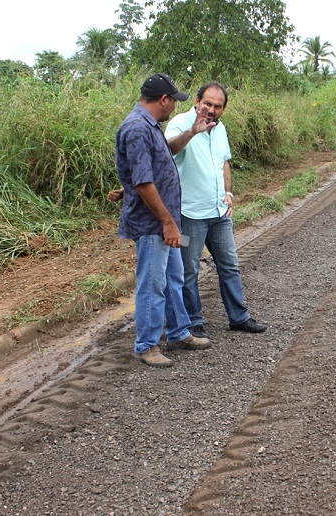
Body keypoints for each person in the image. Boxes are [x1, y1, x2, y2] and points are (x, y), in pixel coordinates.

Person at [114, 73, 211, 368]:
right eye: (174, 100)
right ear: (164, 100)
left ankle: (179, 331)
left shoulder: (151, 126)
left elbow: (162, 156)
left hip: (165, 221)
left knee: (173, 277)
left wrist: (193, 132)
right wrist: (168, 223)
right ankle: (146, 344)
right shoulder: (137, 129)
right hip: (154, 223)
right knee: (152, 283)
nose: (174, 107)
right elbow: (144, 182)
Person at [165, 82, 267, 338]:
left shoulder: (221, 130)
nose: (211, 110)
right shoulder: (179, 122)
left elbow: (224, 163)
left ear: (224, 109)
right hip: (190, 213)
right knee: (189, 270)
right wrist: (192, 131)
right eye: (207, 103)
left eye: (217, 106)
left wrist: (228, 193)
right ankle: (193, 321)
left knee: (230, 265)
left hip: (219, 213)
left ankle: (239, 317)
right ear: (197, 101)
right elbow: (166, 151)